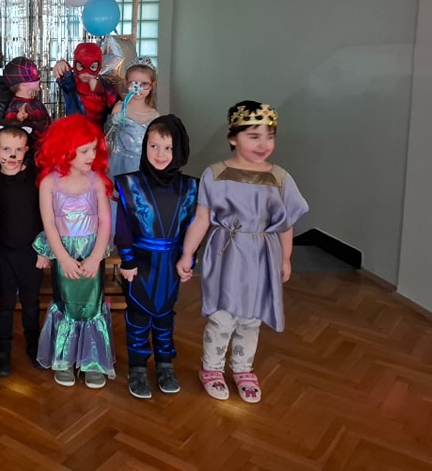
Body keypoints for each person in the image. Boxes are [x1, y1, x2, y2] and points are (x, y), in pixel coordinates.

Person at [177, 101, 308, 404]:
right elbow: (202, 219)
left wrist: (285, 258)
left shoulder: (279, 178)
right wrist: (187, 254)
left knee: (251, 316)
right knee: (223, 314)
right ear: (232, 137)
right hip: (226, 253)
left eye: (269, 136)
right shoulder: (216, 174)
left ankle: (242, 367)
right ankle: (211, 367)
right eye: (253, 136)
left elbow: (285, 223)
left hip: (262, 254)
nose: (263, 144)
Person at [113, 115, 198, 399]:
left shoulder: (190, 187)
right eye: (153, 146)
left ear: (179, 151)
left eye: (168, 148)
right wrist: (127, 260)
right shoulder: (130, 184)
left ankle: (165, 364)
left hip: (171, 262)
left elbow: (193, 227)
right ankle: (137, 367)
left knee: (165, 316)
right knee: (138, 315)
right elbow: (123, 226)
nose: (160, 154)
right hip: (140, 262)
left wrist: (189, 259)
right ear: (144, 147)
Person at [33, 115, 115, 389]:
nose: (92, 156)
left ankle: (93, 362)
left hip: (91, 251)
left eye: (94, 149)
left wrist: (96, 256)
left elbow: (105, 222)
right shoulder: (49, 183)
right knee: (67, 305)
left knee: (91, 306)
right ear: (65, 150)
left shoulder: (96, 181)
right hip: (64, 252)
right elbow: (49, 223)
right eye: (85, 151)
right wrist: (63, 258)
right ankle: (64, 359)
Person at [0, 124, 45, 377]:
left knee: (32, 302)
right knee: (5, 304)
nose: (12, 155)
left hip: (32, 253)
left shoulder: (35, 179)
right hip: (2, 254)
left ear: (26, 150)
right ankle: (4, 351)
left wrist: (44, 250)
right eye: (6, 149)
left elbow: (45, 217)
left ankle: (34, 346)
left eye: (18, 150)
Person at [105, 57, 161, 178]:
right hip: (119, 164)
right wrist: (111, 123)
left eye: (144, 84)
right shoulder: (120, 108)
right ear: (126, 83)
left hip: (143, 166)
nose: (138, 87)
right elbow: (106, 137)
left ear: (152, 85)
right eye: (133, 83)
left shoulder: (154, 115)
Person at [52, 42, 120, 128]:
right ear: (74, 65)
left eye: (92, 67)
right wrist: (61, 64)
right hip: (76, 131)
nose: (86, 73)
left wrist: (100, 89)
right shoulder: (72, 83)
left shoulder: (105, 87)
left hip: (97, 132)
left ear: (99, 67)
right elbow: (65, 79)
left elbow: (118, 105)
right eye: (81, 66)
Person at [2, 57, 51, 153]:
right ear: (24, 83)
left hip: (44, 148)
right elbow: (9, 130)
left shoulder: (36, 103)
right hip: (29, 152)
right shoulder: (16, 106)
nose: (39, 80)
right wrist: (18, 120)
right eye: (35, 77)